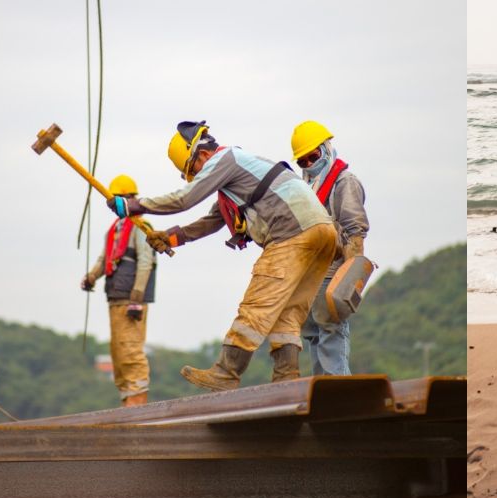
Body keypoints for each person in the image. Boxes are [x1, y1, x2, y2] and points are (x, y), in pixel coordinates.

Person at [106, 121, 337, 391]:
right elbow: (213, 220)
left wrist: (134, 205)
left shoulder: (224, 159)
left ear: (202, 155)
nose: (197, 178)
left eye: (193, 171)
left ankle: (227, 372)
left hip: (291, 232)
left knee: (256, 307)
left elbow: (184, 199)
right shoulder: (241, 169)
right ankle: (286, 379)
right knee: (288, 313)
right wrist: (170, 237)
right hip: (322, 232)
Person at [290, 120, 369, 376]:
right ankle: (322, 388)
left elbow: (355, 230)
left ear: (325, 149)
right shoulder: (308, 188)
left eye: (312, 157)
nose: (309, 165)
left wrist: (349, 277)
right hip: (311, 274)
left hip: (334, 271)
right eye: (303, 161)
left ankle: (339, 389)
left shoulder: (344, 182)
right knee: (313, 332)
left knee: (331, 330)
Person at [82, 175, 156, 407]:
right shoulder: (114, 229)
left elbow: (146, 262)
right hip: (114, 297)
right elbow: (105, 259)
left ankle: (138, 403)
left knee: (131, 351)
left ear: (131, 199)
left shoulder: (140, 227)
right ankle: (127, 401)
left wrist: (137, 298)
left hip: (131, 300)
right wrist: (91, 277)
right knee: (118, 354)